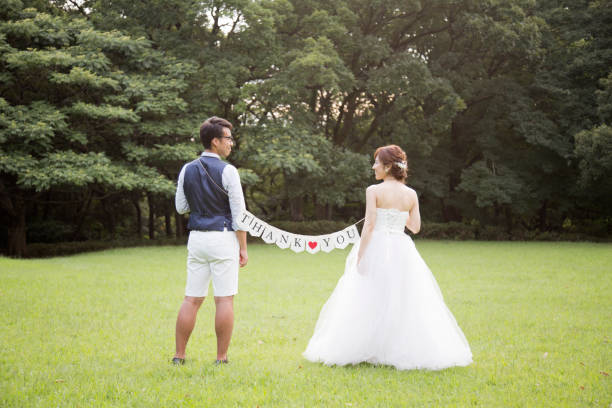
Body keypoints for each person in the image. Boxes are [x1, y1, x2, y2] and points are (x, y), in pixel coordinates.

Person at [303, 145, 472, 370]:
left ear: (388, 166)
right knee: (401, 296)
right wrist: (397, 217)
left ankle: (368, 346)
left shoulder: (374, 191)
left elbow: (370, 224)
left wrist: (360, 256)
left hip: (378, 246)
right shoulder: (411, 194)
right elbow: (416, 227)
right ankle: (393, 347)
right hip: (401, 248)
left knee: (370, 295)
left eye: (376, 163)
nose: (373, 167)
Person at [172, 116, 248, 366]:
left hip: (196, 239)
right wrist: (244, 248)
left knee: (191, 299)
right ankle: (221, 358)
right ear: (215, 141)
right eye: (228, 139)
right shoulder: (228, 171)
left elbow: (181, 206)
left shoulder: (186, 169)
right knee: (224, 299)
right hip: (223, 238)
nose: (231, 144)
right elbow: (240, 217)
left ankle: (179, 356)